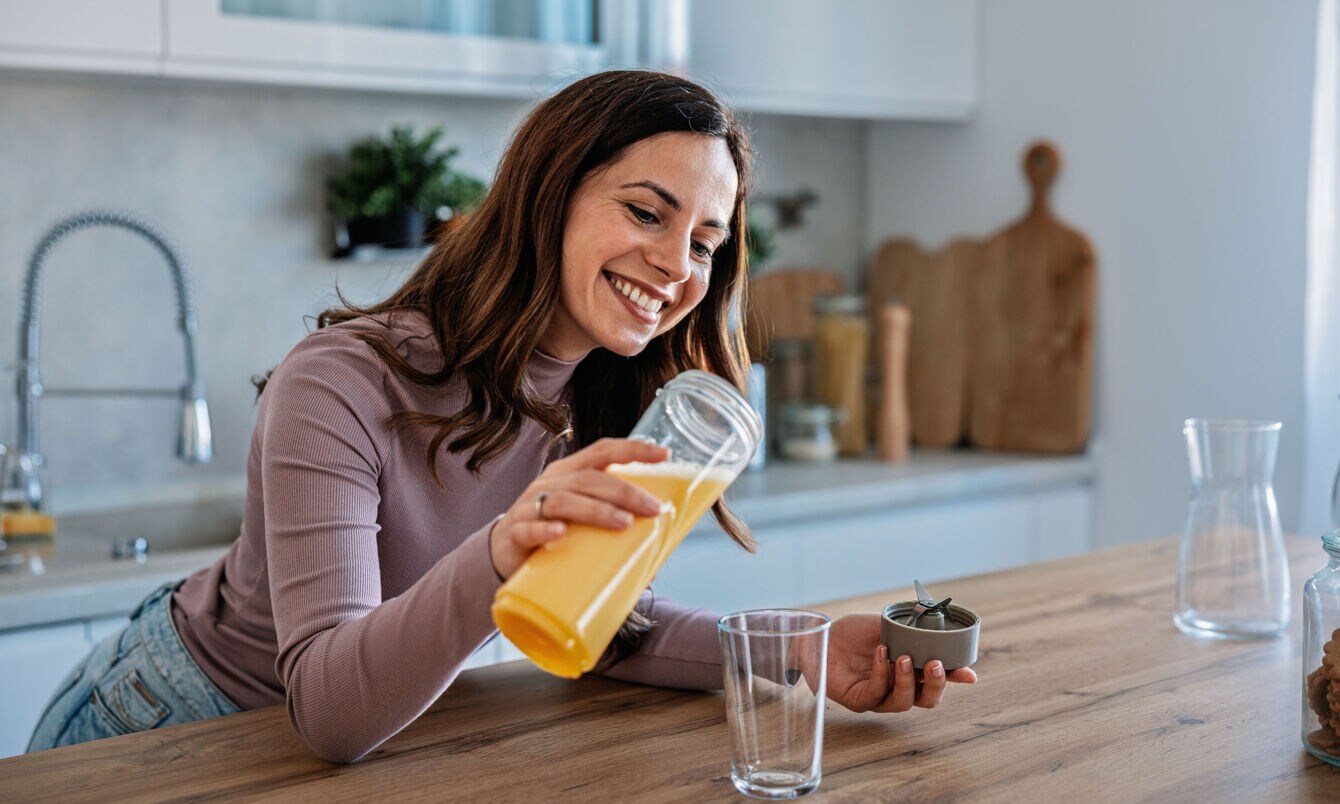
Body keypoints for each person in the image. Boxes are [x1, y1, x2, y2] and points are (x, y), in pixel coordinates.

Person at [27, 69, 975, 763]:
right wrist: (498, 552)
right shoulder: (343, 383)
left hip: (380, 732)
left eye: (705, 242)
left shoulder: (605, 390)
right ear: (548, 195)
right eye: (647, 212)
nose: (679, 266)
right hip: (173, 716)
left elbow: (602, 626)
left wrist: (800, 654)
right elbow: (325, 706)